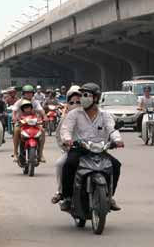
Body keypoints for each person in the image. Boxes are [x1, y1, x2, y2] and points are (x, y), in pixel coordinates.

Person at [60, 83, 124, 211]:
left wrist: (117, 140)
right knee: (69, 164)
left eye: (86, 95)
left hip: (100, 149)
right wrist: (67, 140)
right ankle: (67, 198)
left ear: (95, 98)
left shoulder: (105, 115)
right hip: (80, 149)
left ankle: (109, 197)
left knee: (115, 165)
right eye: (81, 95)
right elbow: (66, 129)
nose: (82, 98)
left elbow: (112, 129)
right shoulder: (74, 114)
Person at [51, 85, 81, 204]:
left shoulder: (92, 114)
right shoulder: (66, 118)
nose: (75, 104)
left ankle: (107, 196)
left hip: (93, 150)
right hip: (73, 150)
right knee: (60, 164)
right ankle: (61, 191)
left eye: (78, 101)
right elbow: (60, 135)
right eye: (72, 102)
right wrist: (67, 146)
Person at [12, 85, 47, 163]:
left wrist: (44, 116)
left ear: (33, 93)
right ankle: (15, 153)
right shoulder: (19, 102)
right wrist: (14, 117)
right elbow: (14, 111)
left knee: (43, 131)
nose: (29, 94)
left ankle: (40, 154)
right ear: (23, 94)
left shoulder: (35, 101)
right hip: (21, 122)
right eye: (27, 93)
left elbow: (41, 110)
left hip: (33, 122)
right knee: (16, 130)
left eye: (30, 93)